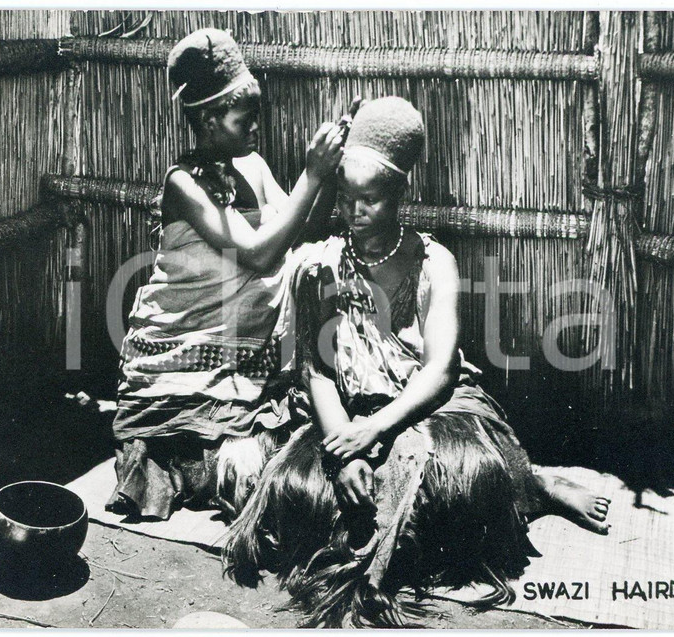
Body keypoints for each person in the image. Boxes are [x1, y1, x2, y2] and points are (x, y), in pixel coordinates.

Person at [223, 97, 611, 627]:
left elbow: (441, 372)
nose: (354, 212)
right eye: (344, 196)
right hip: (352, 407)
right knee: (303, 491)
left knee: (466, 479)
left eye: (371, 199)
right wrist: (343, 448)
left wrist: (375, 430)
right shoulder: (321, 267)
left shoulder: (435, 263)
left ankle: (531, 486)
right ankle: (514, 489)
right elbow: (316, 370)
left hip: (428, 405)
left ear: (401, 194)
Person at [105, 28, 346, 521]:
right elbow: (258, 255)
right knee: (230, 458)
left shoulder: (252, 165)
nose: (256, 128)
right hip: (182, 360)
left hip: (243, 355)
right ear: (209, 120)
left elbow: (300, 229)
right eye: (244, 119)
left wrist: (330, 167)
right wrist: (312, 175)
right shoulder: (184, 184)